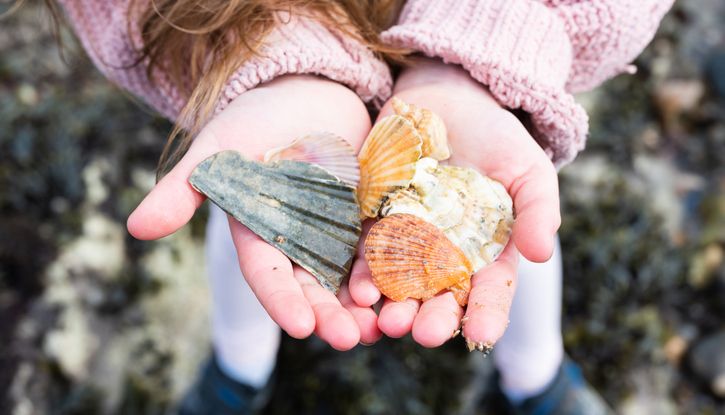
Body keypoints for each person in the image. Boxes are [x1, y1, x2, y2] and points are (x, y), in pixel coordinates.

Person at [52, 0, 675, 413]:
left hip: (486, 57)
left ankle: (538, 375)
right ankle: (238, 368)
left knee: (518, 219)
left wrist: (490, 50)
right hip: (242, 35)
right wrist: (262, 57)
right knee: (259, 213)